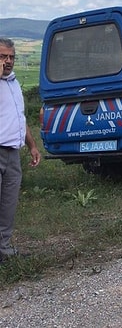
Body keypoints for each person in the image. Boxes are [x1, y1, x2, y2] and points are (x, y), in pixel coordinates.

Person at [1, 38, 41, 262]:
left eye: (11, 57)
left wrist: (32, 145)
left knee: (8, 204)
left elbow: (20, 118)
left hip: (12, 153)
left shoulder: (14, 83)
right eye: (2, 56)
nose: (8, 61)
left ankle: (4, 250)